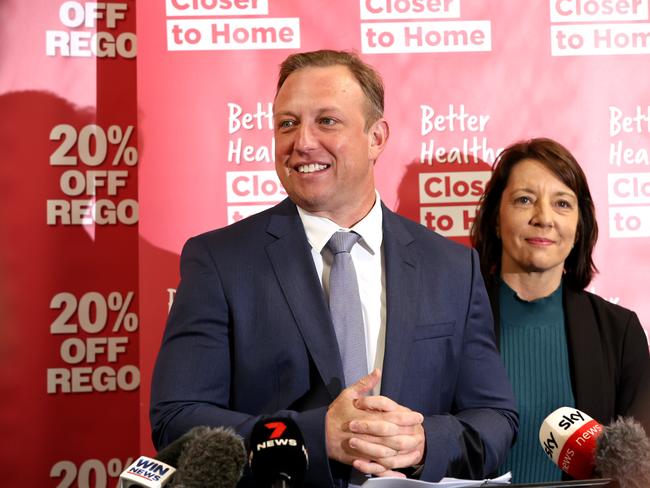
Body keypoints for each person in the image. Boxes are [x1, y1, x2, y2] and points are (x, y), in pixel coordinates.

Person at [151, 50, 518, 487]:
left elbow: (495, 417)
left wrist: (424, 442)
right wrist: (311, 436)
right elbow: (177, 419)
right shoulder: (220, 261)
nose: (302, 141)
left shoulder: (452, 267)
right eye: (287, 123)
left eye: (326, 121)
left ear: (376, 137)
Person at [470, 137, 650, 483]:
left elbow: (638, 469)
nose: (544, 218)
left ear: (579, 226)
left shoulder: (619, 331)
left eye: (562, 204)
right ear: (495, 218)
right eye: (524, 200)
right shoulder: (456, 319)